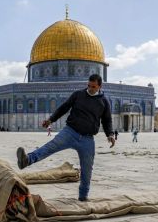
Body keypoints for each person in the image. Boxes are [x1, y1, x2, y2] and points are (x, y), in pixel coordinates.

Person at [16, 74, 115, 202]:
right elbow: (64, 108)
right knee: (49, 147)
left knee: (87, 168)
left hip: (87, 139)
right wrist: (51, 119)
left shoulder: (104, 102)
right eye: (88, 85)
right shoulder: (78, 95)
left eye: (93, 86)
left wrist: (110, 134)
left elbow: (107, 120)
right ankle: (26, 160)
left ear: (100, 86)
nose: (90, 89)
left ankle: (83, 196)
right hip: (70, 132)